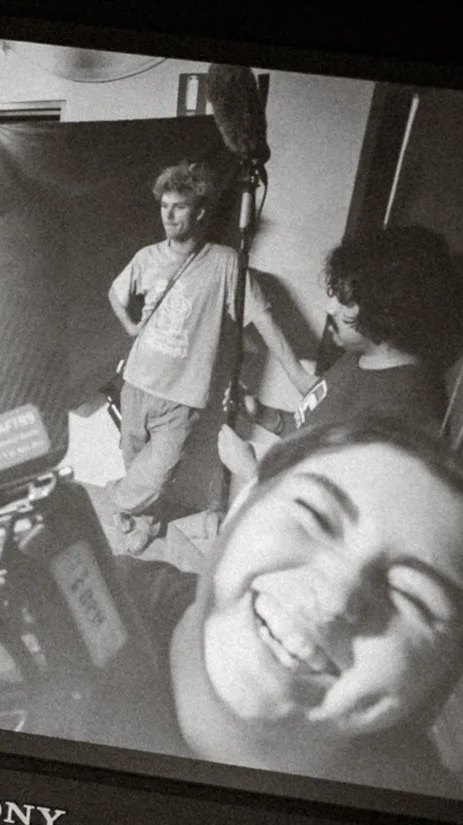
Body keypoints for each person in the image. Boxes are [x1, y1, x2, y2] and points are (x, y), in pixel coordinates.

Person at [94, 414, 463, 798]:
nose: (336, 600)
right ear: (242, 504)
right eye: (314, 516)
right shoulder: (77, 593)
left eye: (414, 596)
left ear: (444, 674)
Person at [106, 160, 315, 555]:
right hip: (135, 383)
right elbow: (115, 294)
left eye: (179, 207)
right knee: (135, 466)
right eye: (164, 206)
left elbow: (264, 321)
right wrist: (131, 327)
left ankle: (114, 501)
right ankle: (144, 525)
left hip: (183, 396)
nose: (168, 215)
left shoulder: (225, 264)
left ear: (199, 212)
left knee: (153, 478)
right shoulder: (147, 257)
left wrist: (297, 376)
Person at [220, 224, 463, 506]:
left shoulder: (404, 407)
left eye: (345, 301)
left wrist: (251, 474)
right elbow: (318, 436)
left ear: (385, 307)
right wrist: (265, 416)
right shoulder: (360, 357)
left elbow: (341, 522)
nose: (330, 308)